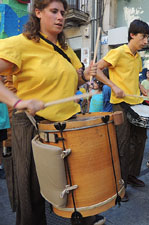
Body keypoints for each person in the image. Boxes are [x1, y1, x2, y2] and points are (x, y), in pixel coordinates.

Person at [0, 0, 104, 224]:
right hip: (31, 123)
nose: (60, 17)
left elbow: (75, 77)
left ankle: (83, 215)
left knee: (77, 180)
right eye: (54, 11)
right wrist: (17, 103)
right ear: (38, 12)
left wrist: (86, 76)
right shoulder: (20, 44)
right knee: (32, 188)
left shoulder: (65, 48)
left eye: (63, 13)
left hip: (69, 121)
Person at [93, 19, 149, 202]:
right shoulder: (118, 52)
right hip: (120, 105)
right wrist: (113, 86)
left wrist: (140, 88)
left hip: (136, 104)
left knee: (140, 140)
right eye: (143, 37)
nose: (146, 42)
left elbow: (133, 78)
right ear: (132, 35)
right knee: (123, 145)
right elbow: (96, 70)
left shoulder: (138, 57)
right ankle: (119, 185)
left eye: (148, 38)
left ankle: (132, 175)